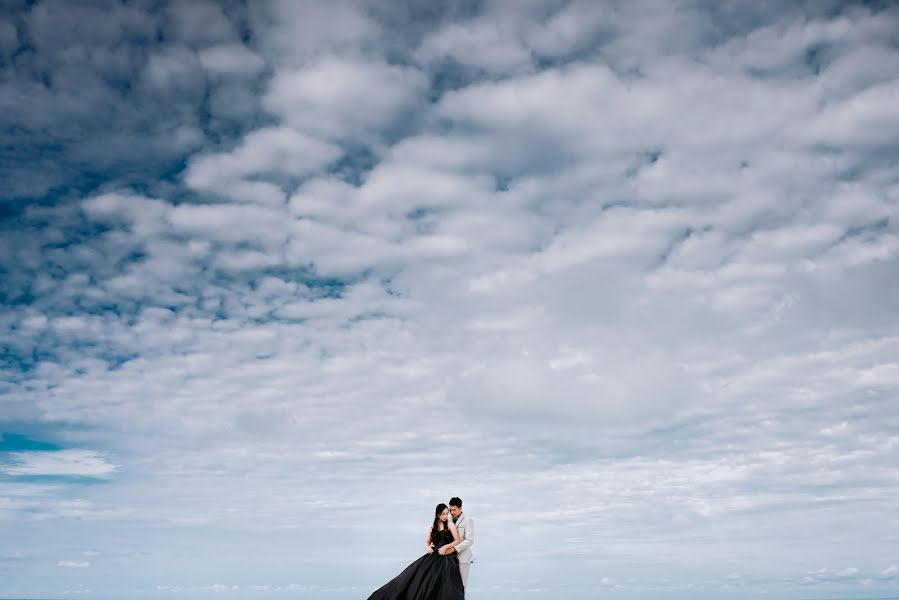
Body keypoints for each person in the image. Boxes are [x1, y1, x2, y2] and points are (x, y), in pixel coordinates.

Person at [365, 503, 465, 600]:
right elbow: (427, 542)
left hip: (446, 557)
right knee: (412, 578)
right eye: (443, 514)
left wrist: (446, 547)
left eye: (446, 513)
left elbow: (457, 541)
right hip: (433, 556)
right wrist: (428, 548)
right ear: (437, 514)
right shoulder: (431, 526)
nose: (445, 516)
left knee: (448, 585)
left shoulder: (450, 524)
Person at [444, 497, 474, 587]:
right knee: (449, 586)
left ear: (460, 508)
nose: (452, 512)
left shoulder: (468, 520)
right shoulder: (447, 519)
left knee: (461, 586)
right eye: (450, 510)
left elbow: (469, 540)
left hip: (463, 558)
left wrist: (454, 549)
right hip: (448, 558)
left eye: (454, 510)